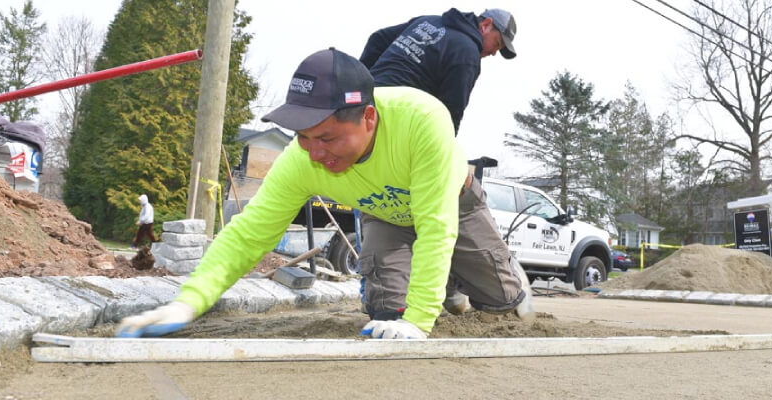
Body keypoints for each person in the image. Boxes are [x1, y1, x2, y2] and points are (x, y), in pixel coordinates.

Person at [115, 48, 533, 340]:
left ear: (368, 118)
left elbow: (436, 226)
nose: (315, 152)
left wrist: (420, 323)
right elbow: (249, 234)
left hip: (452, 208)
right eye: (303, 137)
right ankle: (438, 286)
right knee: (388, 313)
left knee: (505, 306)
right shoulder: (303, 158)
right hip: (385, 215)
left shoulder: (422, 120)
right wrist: (187, 302)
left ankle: (480, 276)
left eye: (328, 138)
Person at [359, 8, 517, 135]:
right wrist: (445, 152)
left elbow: (377, 39)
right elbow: (450, 113)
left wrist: (361, 84)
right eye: (497, 43)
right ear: (486, 25)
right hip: (393, 118)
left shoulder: (427, 21)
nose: (494, 52)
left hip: (362, 104)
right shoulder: (468, 54)